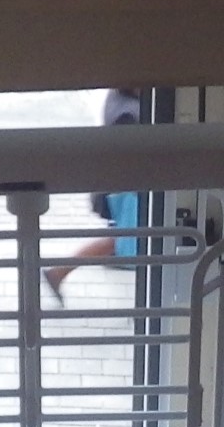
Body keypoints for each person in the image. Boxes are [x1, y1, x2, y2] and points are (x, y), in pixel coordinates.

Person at [44, 89, 148, 302]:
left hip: (120, 188)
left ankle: (59, 272)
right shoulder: (129, 112)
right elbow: (131, 154)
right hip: (128, 189)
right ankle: (58, 272)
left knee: (120, 239)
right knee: (121, 239)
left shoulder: (119, 101)